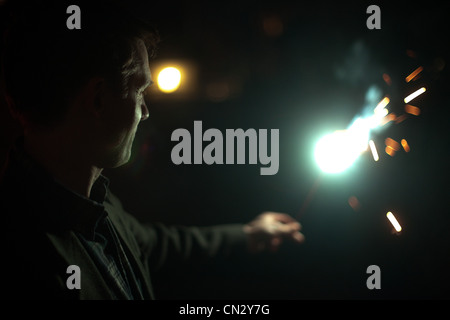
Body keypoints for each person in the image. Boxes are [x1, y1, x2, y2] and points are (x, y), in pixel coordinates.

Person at [0, 0, 304, 299]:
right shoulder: (28, 257)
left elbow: (152, 244)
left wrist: (249, 236)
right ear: (98, 100)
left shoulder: (88, 199)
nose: (145, 111)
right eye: (140, 90)